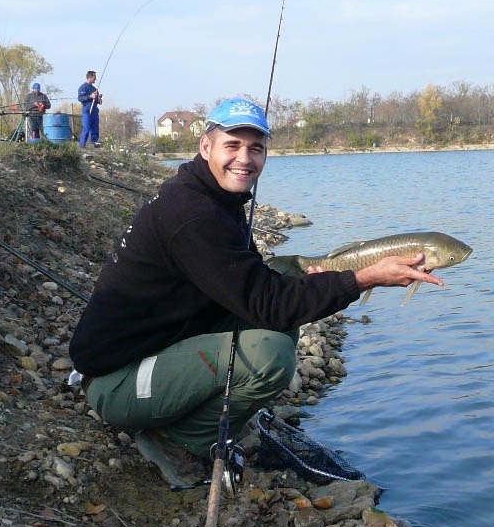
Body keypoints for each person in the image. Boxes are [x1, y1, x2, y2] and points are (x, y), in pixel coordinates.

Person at [68, 97, 443, 489]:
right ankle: (178, 441)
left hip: (151, 348)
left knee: (282, 324)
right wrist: (364, 279)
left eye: (256, 148)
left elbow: (261, 297)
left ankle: (191, 419)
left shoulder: (209, 197)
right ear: (205, 147)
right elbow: (270, 304)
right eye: (232, 145)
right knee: (272, 355)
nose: (244, 158)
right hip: (116, 382)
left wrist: (317, 284)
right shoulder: (194, 215)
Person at [77, 70, 101, 147]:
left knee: (95, 129)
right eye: (94, 77)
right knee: (86, 128)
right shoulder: (83, 87)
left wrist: (99, 99)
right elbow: (80, 98)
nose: (96, 79)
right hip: (87, 111)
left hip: (94, 112)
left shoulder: (94, 89)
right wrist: (90, 96)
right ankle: (82, 145)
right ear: (90, 77)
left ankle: (94, 144)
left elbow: (97, 101)